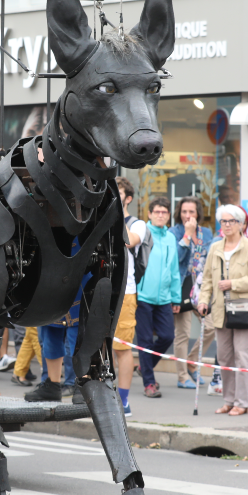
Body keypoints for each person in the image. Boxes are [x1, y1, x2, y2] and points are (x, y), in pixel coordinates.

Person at [196, 205, 248, 416]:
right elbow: (207, 278)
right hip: (219, 311)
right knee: (224, 357)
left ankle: (241, 402)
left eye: (231, 221)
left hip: (244, 310)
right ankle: (228, 400)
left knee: (242, 357)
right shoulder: (215, 248)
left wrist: (232, 284)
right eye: (223, 221)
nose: (226, 225)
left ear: (241, 224)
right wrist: (202, 300)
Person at [134, 197, 181, 399]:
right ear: (150, 214)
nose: (161, 215)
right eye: (157, 212)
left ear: (168, 216)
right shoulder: (142, 232)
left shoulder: (171, 237)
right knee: (144, 341)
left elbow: (175, 269)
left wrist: (176, 298)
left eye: (164, 212)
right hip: (143, 296)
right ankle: (149, 383)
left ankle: (145, 367)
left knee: (167, 337)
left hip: (164, 299)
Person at [170, 196, 214, 389]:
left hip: (201, 287)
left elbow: (211, 257)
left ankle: (191, 361)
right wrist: (187, 235)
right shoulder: (175, 232)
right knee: (183, 333)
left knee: (211, 327)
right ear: (179, 214)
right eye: (184, 212)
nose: (188, 215)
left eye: (192, 212)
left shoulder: (206, 233)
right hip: (182, 285)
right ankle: (182, 377)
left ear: (198, 214)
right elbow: (175, 259)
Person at [114, 177, 142, 416]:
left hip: (125, 292)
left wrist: (115, 214)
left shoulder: (137, 224)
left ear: (128, 198)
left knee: (122, 349)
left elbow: (129, 241)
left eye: (118, 192)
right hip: (100, 290)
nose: (112, 194)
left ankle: (123, 401)